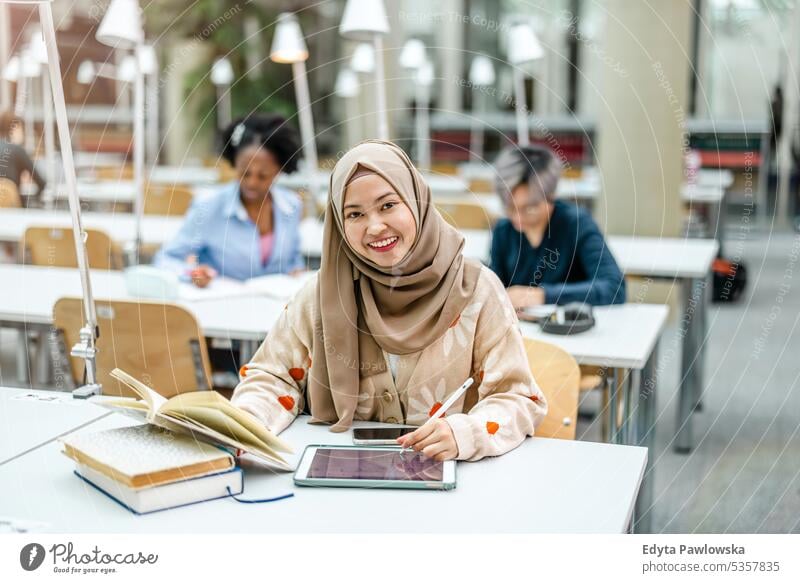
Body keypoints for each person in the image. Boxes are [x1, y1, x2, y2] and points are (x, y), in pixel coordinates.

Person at [231, 140, 546, 461]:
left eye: (388, 205)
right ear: (339, 225)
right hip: (340, 482)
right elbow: (271, 377)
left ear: (417, 201)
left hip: (449, 485)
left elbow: (518, 397)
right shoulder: (321, 295)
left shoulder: (477, 290)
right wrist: (248, 421)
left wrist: (466, 433)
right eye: (354, 213)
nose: (375, 226)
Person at [153, 114, 305, 286]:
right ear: (234, 165)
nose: (252, 182)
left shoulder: (291, 205)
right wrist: (192, 274)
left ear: (279, 170)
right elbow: (165, 259)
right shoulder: (209, 207)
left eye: (263, 176)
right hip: (224, 305)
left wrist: (297, 271)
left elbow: (294, 260)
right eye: (244, 173)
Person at [490, 144, 625, 308]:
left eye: (529, 208)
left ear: (551, 196)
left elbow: (614, 288)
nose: (517, 217)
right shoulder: (503, 231)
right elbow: (495, 289)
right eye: (510, 207)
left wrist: (541, 296)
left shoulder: (576, 224)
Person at [0, 111, 46, 206]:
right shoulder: (17, 150)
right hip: (10, 211)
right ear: (15, 128)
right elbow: (41, 182)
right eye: (22, 129)